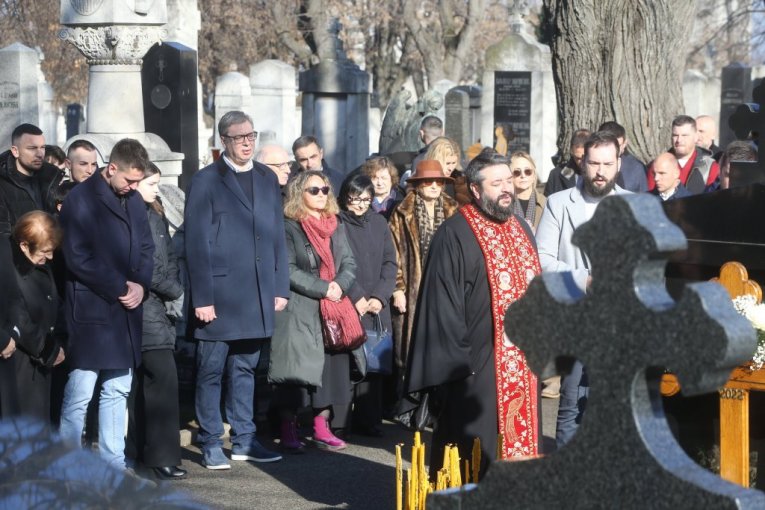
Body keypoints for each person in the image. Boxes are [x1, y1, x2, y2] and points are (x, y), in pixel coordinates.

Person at [405, 148, 541, 478]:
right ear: (477, 190)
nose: (508, 188)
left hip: (523, 368)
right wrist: (460, 370)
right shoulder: (455, 234)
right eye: (498, 183)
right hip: (475, 373)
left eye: (509, 180)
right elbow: (441, 310)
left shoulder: (521, 228)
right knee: (470, 462)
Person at [185, 110, 288, 469]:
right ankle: (211, 441)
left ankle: (244, 439)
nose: (247, 142)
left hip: (256, 294)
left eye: (251, 135)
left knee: (246, 370)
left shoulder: (265, 178)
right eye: (239, 136)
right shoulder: (206, 180)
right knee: (211, 371)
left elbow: (276, 236)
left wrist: (280, 287)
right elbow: (196, 243)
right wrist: (204, 298)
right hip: (219, 295)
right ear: (224, 141)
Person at [58, 138, 154, 470]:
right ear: (111, 168)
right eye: (129, 180)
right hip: (93, 309)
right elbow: (77, 257)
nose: (133, 187)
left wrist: (141, 284)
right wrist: (119, 285)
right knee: (81, 392)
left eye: (138, 182)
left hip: (126, 311)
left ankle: (113, 463)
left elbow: (146, 249)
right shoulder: (80, 200)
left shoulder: (135, 201)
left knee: (118, 390)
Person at [535, 131, 630, 447]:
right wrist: (584, 279)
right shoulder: (560, 203)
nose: (600, 171)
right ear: (582, 163)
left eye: (607, 163)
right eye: (594, 163)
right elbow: (542, 258)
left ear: (618, 163)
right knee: (572, 407)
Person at [269, 170, 362, 451]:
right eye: (314, 190)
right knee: (294, 371)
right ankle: (288, 429)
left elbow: (348, 262)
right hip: (300, 307)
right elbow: (288, 269)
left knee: (332, 370)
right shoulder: (289, 226)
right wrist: (324, 288)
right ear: (299, 193)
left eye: (324, 189)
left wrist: (338, 287)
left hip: (334, 307)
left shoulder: (336, 224)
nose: (321, 194)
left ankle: (322, 428)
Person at [126, 163, 186, 480]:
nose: (156, 189)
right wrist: (175, 290)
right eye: (151, 183)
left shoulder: (155, 211)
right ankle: (160, 455)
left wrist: (173, 286)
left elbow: (169, 256)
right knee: (160, 381)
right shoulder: (133, 215)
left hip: (158, 307)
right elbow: (143, 266)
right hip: (146, 308)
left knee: (152, 383)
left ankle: (150, 453)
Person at [389, 160, 458, 400]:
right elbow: (393, 252)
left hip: (444, 288)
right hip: (412, 288)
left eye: (438, 181)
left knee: (441, 344)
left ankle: (438, 402)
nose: (433, 185)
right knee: (408, 349)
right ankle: (407, 403)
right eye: (427, 181)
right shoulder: (401, 212)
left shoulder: (454, 210)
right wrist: (397, 288)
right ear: (417, 184)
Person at [338, 174, 397, 436]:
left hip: (376, 303)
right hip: (349, 300)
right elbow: (337, 263)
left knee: (373, 362)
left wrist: (380, 296)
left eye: (366, 198)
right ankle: (340, 422)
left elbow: (390, 263)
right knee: (348, 363)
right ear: (345, 197)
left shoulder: (379, 222)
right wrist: (357, 296)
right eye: (355, 198)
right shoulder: (338, 223)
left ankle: (369, 420)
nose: (361, 204)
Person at [10, 211, 65, 422]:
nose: (50, 257)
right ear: (24, 245)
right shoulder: (9, 269)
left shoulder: (40, 265)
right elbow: (17, 316)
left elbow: (55, 303)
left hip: (41, 362)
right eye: (45, 251)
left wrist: (59, 341)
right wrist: (47, 348)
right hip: (21, 362)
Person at [0, 123, 65, 236]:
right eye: (32, 148)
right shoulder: (3, 183)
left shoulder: (51, 177)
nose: (40, 154)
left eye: (42, 147)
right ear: (15, 151)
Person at [646, 115, 719, 194]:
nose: (679, 140)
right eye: (675, 135)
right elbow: (649, 199)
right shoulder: (658, 165)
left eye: (684, 135)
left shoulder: (709, 166)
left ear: (695, 137)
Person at [598, 121, 647, 193]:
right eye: (609, 145)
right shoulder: (590, 164)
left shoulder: (636, 168)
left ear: (624, 144)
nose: (614, 150)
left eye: (618, 145)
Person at [400, 116, 444, 187]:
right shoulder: (453, 156)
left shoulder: (419, 161)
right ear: (443, 133)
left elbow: (416, 188)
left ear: (421, 133)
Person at [544, 129, 590, 197]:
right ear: (571, 151)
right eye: (578, 158)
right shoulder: (556, 175)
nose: (581, 162)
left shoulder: (601, 174)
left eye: (585, 157)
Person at [425, 137, 470, 205]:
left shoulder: (458, 180)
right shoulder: (421, 180)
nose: (451, 168)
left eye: (454, 163)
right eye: (447, 163)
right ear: (435, 159)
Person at [509, 150, 546, 230]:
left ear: (534, 175)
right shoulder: (504, 203)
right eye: (517, 172)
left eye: (527, 171)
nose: (523, 175)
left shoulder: (546, 203)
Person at [361, 156, 405, 220]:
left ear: (392, 179)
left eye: (384, 178)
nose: (379, 183)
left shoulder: (403, 201)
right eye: (375, 178)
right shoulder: (360, 202)